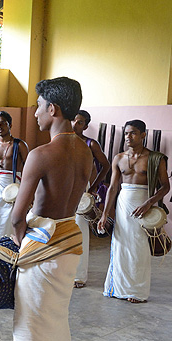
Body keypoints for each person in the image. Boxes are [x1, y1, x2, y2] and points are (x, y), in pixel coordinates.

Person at [0, 77, 91, 341]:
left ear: (54, 109)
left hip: (42, 246)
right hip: (68, 242)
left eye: (38, 105)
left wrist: (23, 248)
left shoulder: (41, 155)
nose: (34, 113)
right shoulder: (86, 152)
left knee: (29, 327)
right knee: (54, 324)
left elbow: (18, 217)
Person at [98, 120, 170, 303]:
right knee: (121, 246)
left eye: (133, 133)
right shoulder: (119, 158)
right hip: (123, 205)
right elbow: (113, 187)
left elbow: (165, 186)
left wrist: (149, 203)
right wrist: (105, 213)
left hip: (143, 205)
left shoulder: (154, 158)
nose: (128, 137)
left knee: (139, 248)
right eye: (126, 133)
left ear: (143, 135)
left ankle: (137, 291)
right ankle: (117, 288)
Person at [71, 110, 110, 288]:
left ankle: (78, 276)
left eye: (79, 122)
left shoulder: (90, 144)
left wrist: (93, 187)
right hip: (64, 189)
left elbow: (106, 165)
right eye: (73, 120)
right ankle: (63, 272)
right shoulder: (63, 140)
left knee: (80, 231)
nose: (75, 124)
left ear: (86, 126)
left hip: (82, 190)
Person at [0, 111, 29, 239]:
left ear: (10, 125)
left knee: (11, 218)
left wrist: (27, 190)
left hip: (13, 184)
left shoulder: (19, 145)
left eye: (3, 123)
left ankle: (10, 246)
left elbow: (28, 167)